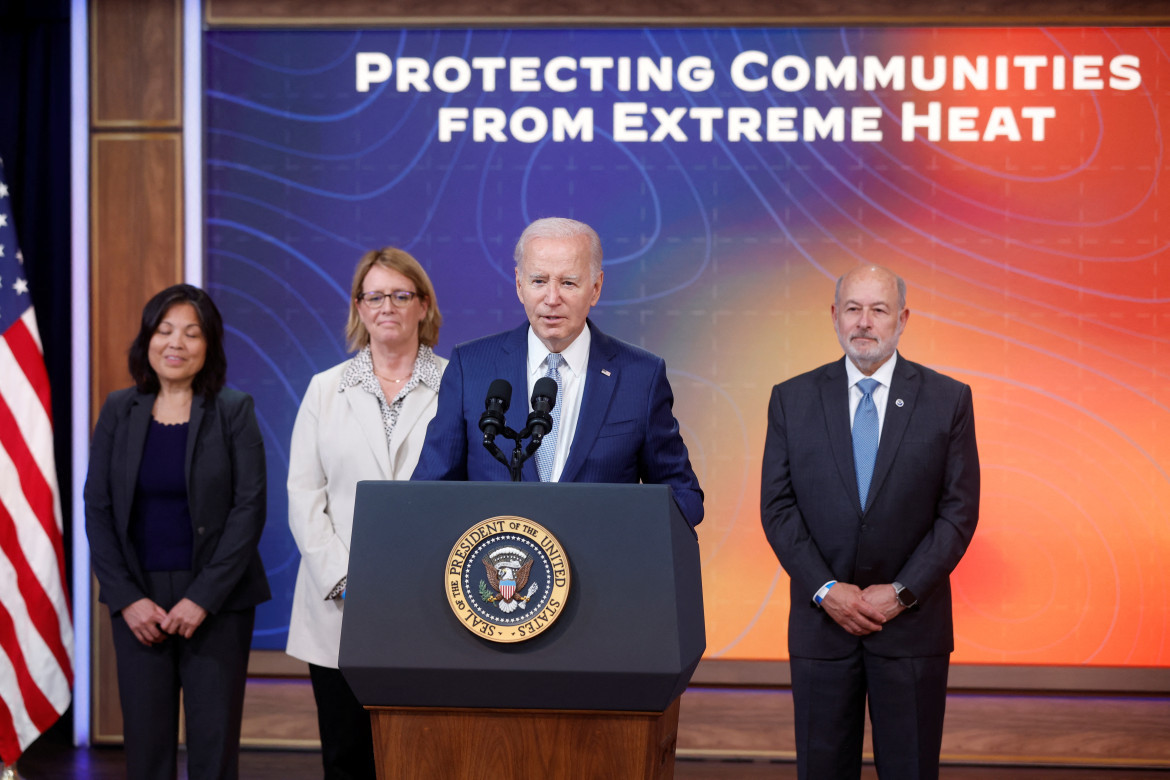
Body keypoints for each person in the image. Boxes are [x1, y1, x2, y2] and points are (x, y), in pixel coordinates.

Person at [760, 264, 980, 780]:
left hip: (911, 630)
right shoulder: (791, 399)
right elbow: (778, 507)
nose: (864, 322)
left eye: (878, 310)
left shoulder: (948, 399)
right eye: (853, 309)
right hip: (821, 627)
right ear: (834, 316)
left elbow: (958, 512)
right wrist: (825, 589)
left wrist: (902, 592)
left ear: (902, 318)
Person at [85, 284, 270, 780]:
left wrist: (202, 598)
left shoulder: (234, 409)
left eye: (191, 333)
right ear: (147, 340)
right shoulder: (119, 410)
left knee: (213, 751)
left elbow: (249, 509)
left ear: (209, 345)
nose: (176, 343)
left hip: (217, 603)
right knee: (146, 750)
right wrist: (126, 599)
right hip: (139, 602)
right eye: (164, 330)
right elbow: (97, 509)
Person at [411, 216, 703, 527]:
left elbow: (684, 497)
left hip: (602, 570)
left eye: (568, 283)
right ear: (519, 284)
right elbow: (429, 492)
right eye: (539, 281)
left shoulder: (640, 376)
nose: (552, 299)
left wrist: (624, 533)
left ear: (595, 288)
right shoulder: (470, 367)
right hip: (501, 570)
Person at [285, 247, 446, 780]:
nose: (388, 307)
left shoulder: (457, 385)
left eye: (401, 295)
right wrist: (345, 579)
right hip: (339, 607)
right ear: (358, 306)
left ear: (423, 305)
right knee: (347, 756)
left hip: (430, 600)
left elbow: (466, 493)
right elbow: (305, 497)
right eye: (375, 296)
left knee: (421, 757)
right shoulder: (325, 389)